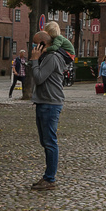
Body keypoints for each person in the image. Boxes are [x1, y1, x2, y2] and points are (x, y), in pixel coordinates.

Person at [30, 23, 72, 191]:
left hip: (50, 103)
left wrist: (34, 61)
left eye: (35, 44)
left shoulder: (52, 57)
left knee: (50, 142)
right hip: (43, 102)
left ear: (42, 44)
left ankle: (50, 178)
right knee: (45, 141)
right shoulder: (46, 57)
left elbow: (39, 78)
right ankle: (48, 176)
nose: (33, 47)